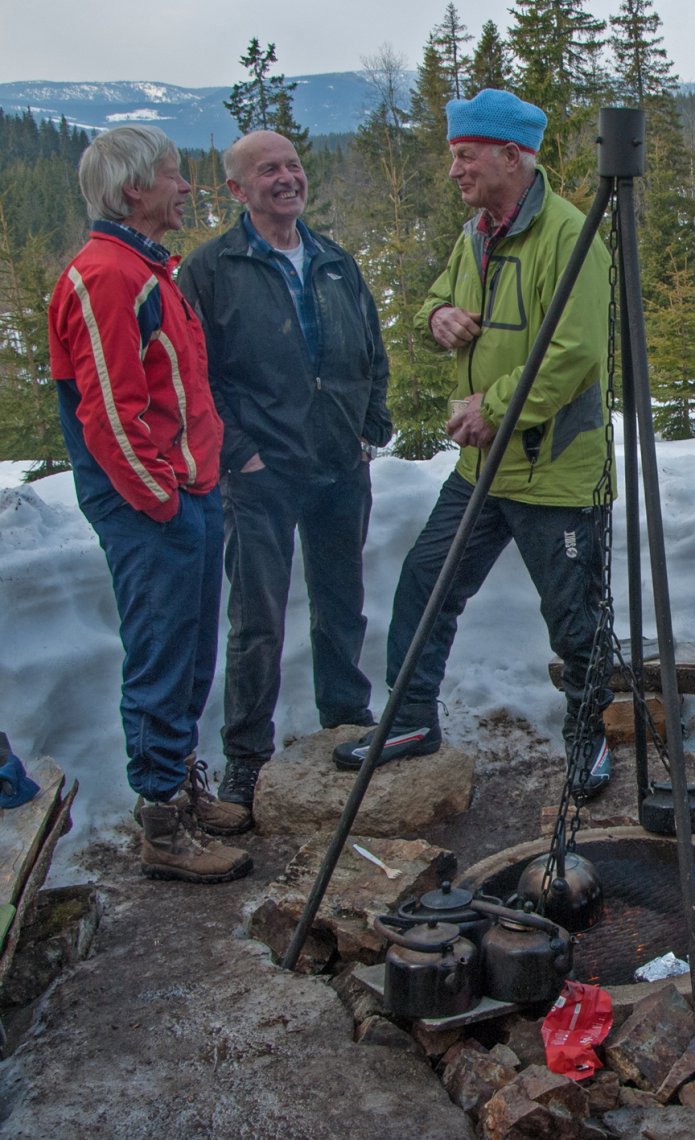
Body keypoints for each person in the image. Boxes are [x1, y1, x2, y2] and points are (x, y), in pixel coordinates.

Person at [333, 89, 615, 800]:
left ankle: (589, 739)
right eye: (453, 156)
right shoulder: (476, 235)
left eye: (466, 156)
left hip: (554, 469)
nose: (454, 170)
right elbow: (436, 296)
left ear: (511, 156)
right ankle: (411, 717)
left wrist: (493, 406)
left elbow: (575, 351)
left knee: (575, 620)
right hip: (480, 467)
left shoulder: (570, 235)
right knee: (428, 582)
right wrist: (440, 316)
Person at [49, 125, 251, 883]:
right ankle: (162, 825)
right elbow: (109, 412)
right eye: (173, 175)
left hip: (185, 492)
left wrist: (192, 483)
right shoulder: (105, 276)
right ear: (135, 189)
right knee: (162, 657)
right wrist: (162, 500)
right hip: (149, 506)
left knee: (191, 651)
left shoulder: (144, 269)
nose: (185, 187)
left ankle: (180, 791)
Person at [179, 130, 392, 822]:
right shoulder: (211, 270)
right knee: (258, 621)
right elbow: (197, 376)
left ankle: (347, 721)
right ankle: (247, 761)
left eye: (293, 165)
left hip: (338, 463)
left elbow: (371, 350)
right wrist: (238, 451)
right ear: (237, 190)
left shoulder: (333, 261)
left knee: (341, 604)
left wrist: (369, 427)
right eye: (267, 170)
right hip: (259, 475)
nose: (286, 178)